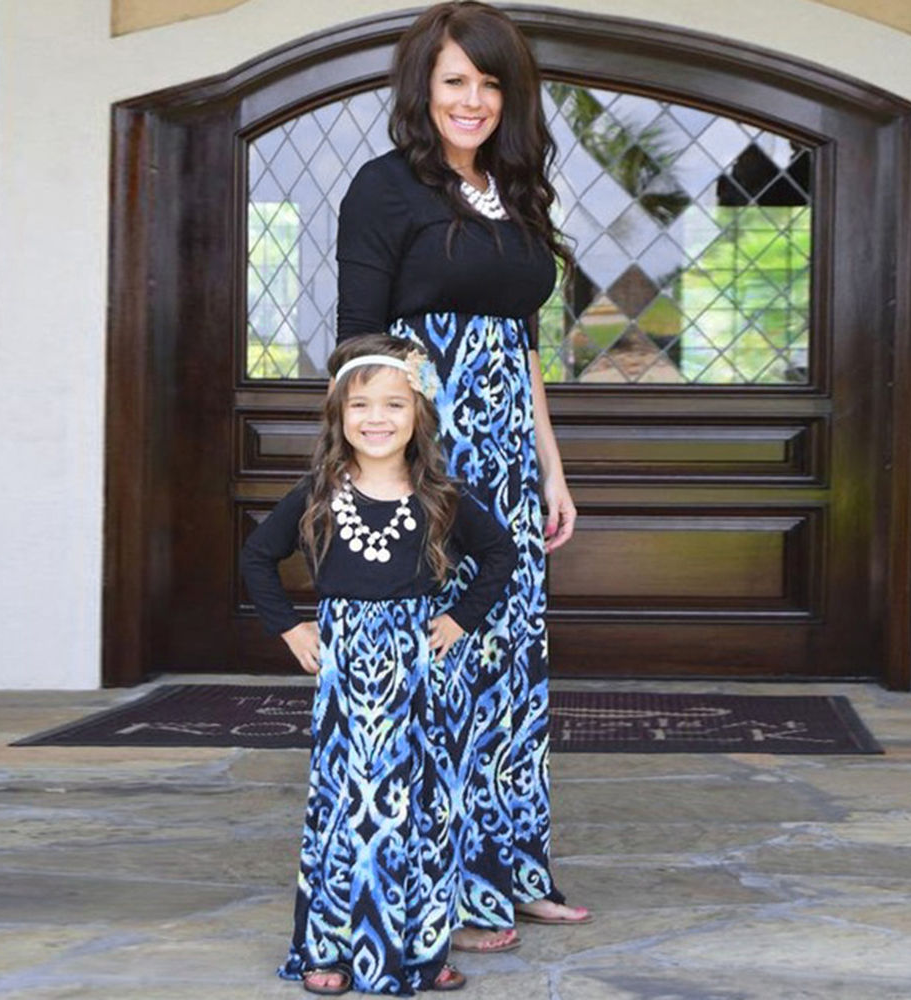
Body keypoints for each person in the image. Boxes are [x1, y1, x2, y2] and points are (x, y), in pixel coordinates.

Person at [336, 0, 590, 954]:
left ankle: (511, 870)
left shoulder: (517, 193)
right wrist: (387, 477)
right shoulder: (385, 189)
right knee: (441, 669)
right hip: (429, 466)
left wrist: (552, 474)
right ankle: (442, 890)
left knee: (510, 670)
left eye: (490, 83)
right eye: (455, 82)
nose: (473, 100)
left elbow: (524, 352)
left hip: (512, 471)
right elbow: (359, 346)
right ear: (423, 89)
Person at [241, 335, 518, 995]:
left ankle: (422, 951)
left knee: (422, 807)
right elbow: (257, 555)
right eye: (360, 405)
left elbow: (501, 554)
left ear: (418, 414)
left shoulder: (440, 496)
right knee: (343, 807)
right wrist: (289, 627)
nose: (376, 418)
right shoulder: (319, 491)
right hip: (346, 672)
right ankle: (328, 952)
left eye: (394, 404)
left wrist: (457, 620)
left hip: (416, 673)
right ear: (338, 416)